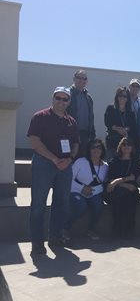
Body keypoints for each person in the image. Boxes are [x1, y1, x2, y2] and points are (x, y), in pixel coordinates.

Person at [27, 87, 79, 255]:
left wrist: (70, 159)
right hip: (44, 164)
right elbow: (35, 142)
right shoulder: (40, 117)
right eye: (58, 98)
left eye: (65, 99)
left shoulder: (71, 121)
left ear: (69, 102)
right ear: (53, 98)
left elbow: (76, 144)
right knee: (38, 205)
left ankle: (55, 236)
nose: (61, 101)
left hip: (65, 167)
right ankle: (37, 243)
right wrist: (54, 159)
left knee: (62, 203)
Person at [64, 139, 108, 244]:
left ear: (102, 150)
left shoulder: (106, 166)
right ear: (89, 150)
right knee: (81, 206)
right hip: (75, 191)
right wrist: (82, 188)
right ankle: (65, 228)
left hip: (94, 194)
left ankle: (91, 229)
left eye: (99, 147)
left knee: (99, 205)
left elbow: (104, 184)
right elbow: (68, 179)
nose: (96, 150)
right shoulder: (81, 162)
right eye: (93, 147)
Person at [106, 138, 140, 239]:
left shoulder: (135, 161)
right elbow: (111, 178)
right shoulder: (114, 161)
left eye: (128, 145)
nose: (126, 146)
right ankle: (117, 229)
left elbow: (134, 177)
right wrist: (124, 183)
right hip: (120, 189)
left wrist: (117, 181)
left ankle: (129, 230)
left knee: (130, 200)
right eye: (124, 144)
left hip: (132, 190)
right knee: (118, 198)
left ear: (132, 147)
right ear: (120, 147)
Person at [104, 87, 139, 159]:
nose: (122, 98)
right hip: (113, 142)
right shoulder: (110, 108)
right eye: (120, 95)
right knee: (112, 163)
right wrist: (117, 129)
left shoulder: (130, 112)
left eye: (124, 96)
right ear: (117, 97)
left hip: (125, 144)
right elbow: (107, 122)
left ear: (127, 98)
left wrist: (125, 129)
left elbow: (133, 126)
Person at [68, 70, 95, 158]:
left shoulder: (88, 97)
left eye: (84, 78)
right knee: (70, 160)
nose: (82, 80)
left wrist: (92, 135)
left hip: (85, 136)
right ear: (74, 79)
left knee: (83, 161)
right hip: (71, 134)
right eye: (79, 78)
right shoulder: (68, 94)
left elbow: (91, 117)